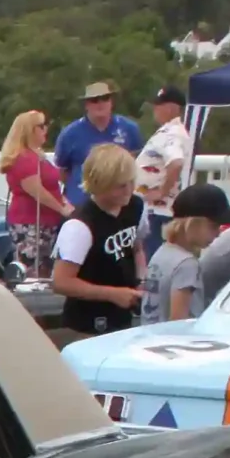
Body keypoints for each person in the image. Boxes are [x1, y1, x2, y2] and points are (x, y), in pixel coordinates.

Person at [52, 142, 146, 336]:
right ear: (100, 185)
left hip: (123, 316)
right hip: (87, 324)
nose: (129, 190)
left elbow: (136, 246)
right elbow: (61, 282)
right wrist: (112, 294)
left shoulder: (135, 206)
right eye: (120, 186)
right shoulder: (80, 225)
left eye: (131, 182)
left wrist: (141, 279)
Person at [140, 182, 230, 324]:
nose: (218, 234)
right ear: (193, 223)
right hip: (172, 342)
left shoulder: (162, 252)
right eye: (214, 226)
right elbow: (178, 321)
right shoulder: (187, 265)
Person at [0, 109, 70, 278]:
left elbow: (52, 185)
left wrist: (65, 202)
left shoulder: (38, 156)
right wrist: (61, 209)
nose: (46, 130)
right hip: (31, 223)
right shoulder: (25, 158)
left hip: (45, 224)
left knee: (43, 268)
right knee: (31, 269)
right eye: (41, 126)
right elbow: (36, 190)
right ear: (30, 130)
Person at [54, 81, 142, 208]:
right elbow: (62, 171)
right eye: (95, 100)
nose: (100, 104)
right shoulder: (69, 134)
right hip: (81, 204)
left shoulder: (129, 129)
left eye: (105, 98)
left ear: (111, 102)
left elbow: (134, 163)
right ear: (86, 105)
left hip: (119, 205)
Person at [135, 85, 192, 224]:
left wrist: (161, 192)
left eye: (159, 104)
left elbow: (176, 163)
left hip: (157, 211)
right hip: (152, 210)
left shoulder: (171, 134)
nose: (155, 109)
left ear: (172, 108)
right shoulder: (169, 132)